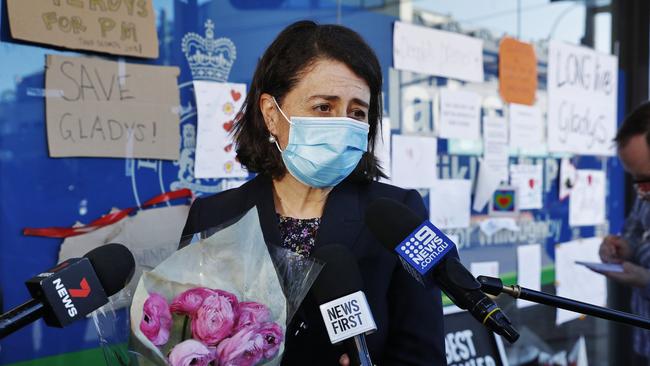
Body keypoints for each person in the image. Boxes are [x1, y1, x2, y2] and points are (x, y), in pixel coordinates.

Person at [181, 21, 446, 365]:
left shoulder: (398, 215)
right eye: (324, 107)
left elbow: (422, 354)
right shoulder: (214, 216)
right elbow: (183, 340)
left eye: (357, 112)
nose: (342, 124)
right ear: (271, 114)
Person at [599, 101, 650, 361]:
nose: (641, 192)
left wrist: (644, 278)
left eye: (646, 178)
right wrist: (622, 247)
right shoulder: (645, 196)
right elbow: (633, 231)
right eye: (635, 180)